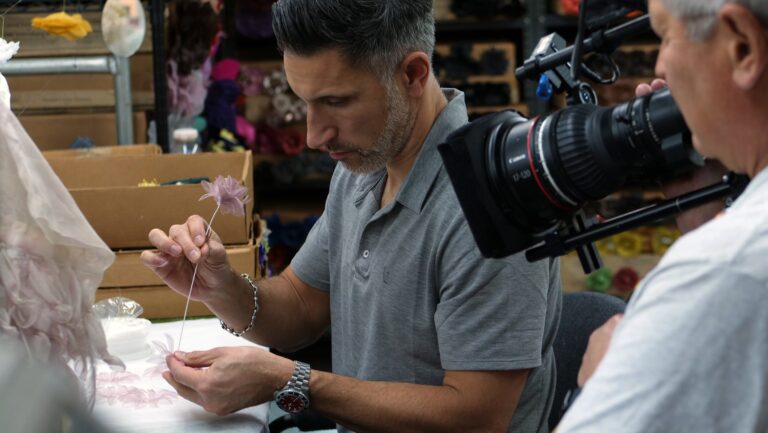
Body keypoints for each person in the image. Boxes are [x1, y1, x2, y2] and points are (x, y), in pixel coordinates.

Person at [140, 1, 561, 432]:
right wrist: (221, 287)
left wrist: (291, 382)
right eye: (306, 102)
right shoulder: (365, 165)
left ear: (413, 75)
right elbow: (301, 305)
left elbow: (477, 419)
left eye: (335, 101)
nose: (313, 136)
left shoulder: (489, 208)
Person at [555, 0, 768, 431]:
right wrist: (705, 218)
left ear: (743, 47)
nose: (660, 66)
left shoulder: (721, 269)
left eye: (667, 36)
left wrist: (602, 383)